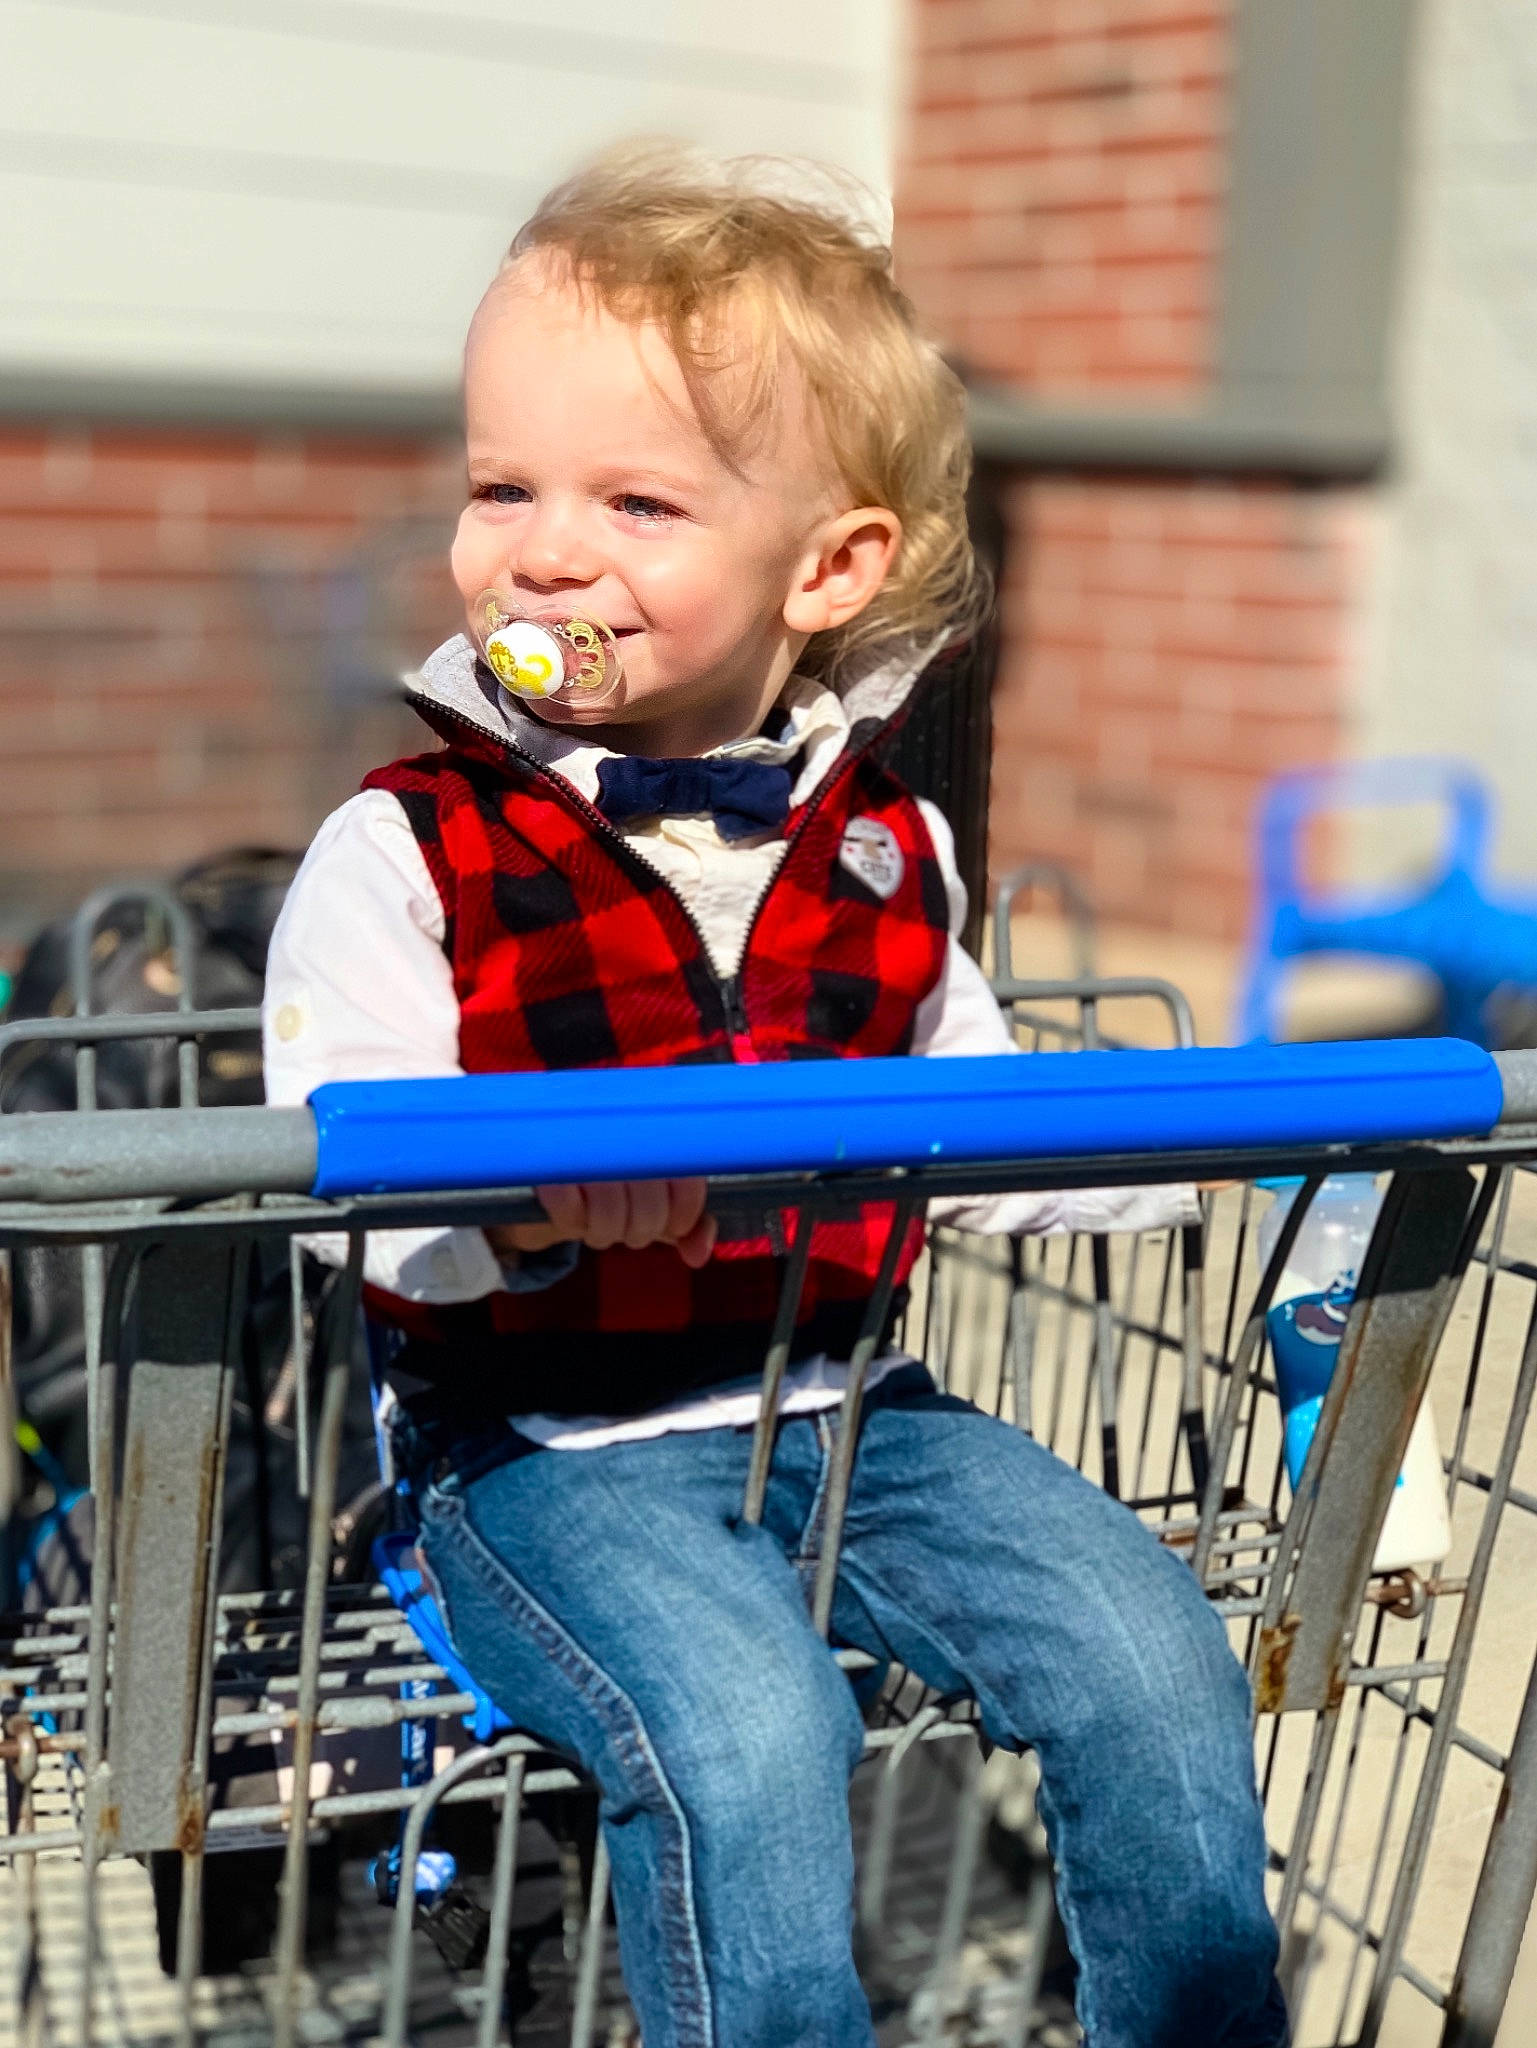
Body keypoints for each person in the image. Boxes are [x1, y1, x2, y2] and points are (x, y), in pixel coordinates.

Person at [264, 145, 1288, 2048]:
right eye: (503, 488)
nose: (539, 550)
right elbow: (356, 1178)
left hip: (847, 1403)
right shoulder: (403, 851)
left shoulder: (893, 846)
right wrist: (537, 1196)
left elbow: (979, 1126)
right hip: (542, 1449)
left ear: (826, 571)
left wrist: (1216, 1162)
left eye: (635, 501)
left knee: (1151, 1659)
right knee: (751, 1735)